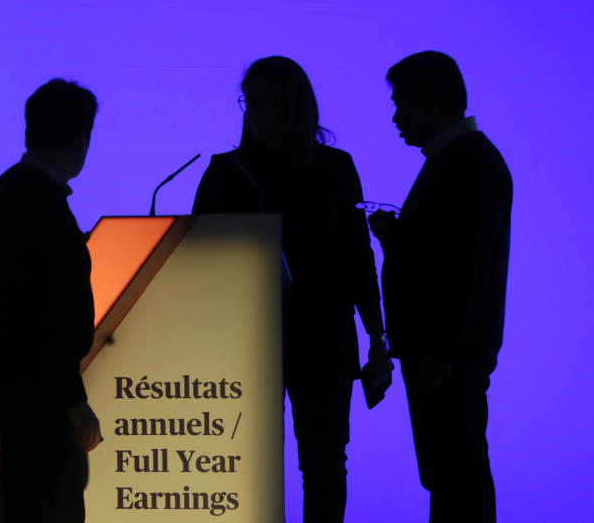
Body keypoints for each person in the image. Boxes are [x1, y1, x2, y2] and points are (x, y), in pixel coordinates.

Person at [193, 56, 390, 523]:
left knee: (322, 465)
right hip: (250, 340)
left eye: (265, 101)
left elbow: (359, 257)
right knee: (248, 465)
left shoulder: (336, 168)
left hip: (322, 338)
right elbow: (195, 259)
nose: (254, 112)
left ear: (293, 105)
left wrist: (379, 336)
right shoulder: (226, 172)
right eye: (249, 102)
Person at [368, 51, 512, 522]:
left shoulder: (465, 165)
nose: (396, 118)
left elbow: (460, 273)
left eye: (401, 104)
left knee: (456, 476)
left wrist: (438, 354)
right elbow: (452, 259)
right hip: (446, 358)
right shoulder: (469, 161)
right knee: (453, 473)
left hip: (444, 361)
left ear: (428, 101)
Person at [0, 78, 102, 523]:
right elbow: (42, 321)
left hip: (2, 385)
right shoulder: (43, 208)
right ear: (82, 138)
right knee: (49, 505)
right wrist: (73, 399)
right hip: (36, 396)